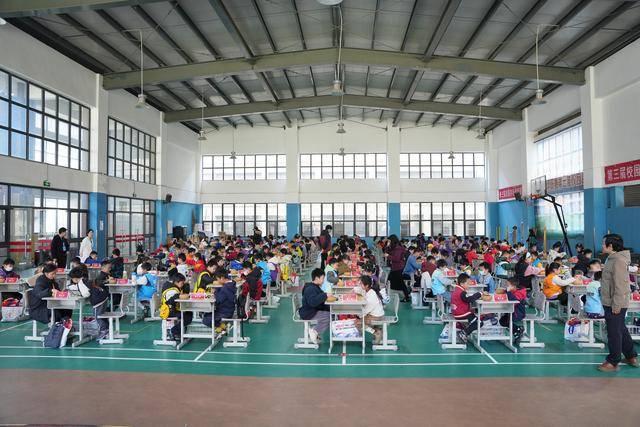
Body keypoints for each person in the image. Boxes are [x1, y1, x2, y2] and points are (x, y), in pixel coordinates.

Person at [598, 234, 638, 372]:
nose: (602, 245)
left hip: (615, 303)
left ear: (610, 246)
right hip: (611, 301)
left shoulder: (618, 261)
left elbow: (621, 285)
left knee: (614, 332)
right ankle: (631, 356)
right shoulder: (612, 258)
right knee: (621, 329)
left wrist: (616, 305)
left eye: (603, 243)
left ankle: (613, 361)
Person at [299, 268, 336, 345]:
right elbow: (313, 302)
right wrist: (325, 295)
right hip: (308, 312)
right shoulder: (310, 289)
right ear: (316, 278)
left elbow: (320, 299)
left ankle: (315, 332)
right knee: (328, 316)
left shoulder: (315, 287)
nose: (323, 280)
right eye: (322, 278)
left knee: (331, 313)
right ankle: (314, 331)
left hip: (312, 310)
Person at [450, 273, 482, 343]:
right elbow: (468, 299)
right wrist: (479, 294)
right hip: (461, 314)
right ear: (461, 284)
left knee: (474, 316)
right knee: (479, 323)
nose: (469, 285)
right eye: (467, 283)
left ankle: (464, 331)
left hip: (456, 312)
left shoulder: (457, 290)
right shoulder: (462, 292)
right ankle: (464, 333)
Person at [160, 273, 191, 341]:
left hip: (171, 309)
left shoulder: (171, 286)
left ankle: (178, 332)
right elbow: (170, 301)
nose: (182, 285)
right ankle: (173, 331)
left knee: (188, 312)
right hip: (168, 311)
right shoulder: (172, 290)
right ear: (176, 282)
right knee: (187, 316)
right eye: (182, 283)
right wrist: (179, 296)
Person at [354, 275, 384, 344]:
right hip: (373, 314)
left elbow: (365, 311)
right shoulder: (368, 290)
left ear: (367, 285)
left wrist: (356, 314)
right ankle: (377, 330)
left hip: (377, 316)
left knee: (357, 323)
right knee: (359, 319)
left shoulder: (371, 296)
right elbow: (359, 289)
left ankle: (376, 332)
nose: (360, 285)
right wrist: (354, 289)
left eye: (361, 283)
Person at [386, 235, 410, 302]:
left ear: (392, 241)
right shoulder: (394, 247)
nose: (388, 242)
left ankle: (406, 295)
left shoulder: (398, 248)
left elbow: (396, 258)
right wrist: (387, 247)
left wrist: (388, 256)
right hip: (395, 267)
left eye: (389, 241)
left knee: (397, 282)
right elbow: (388, 252)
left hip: (398, 268)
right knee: (395, 282)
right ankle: (406, 295)